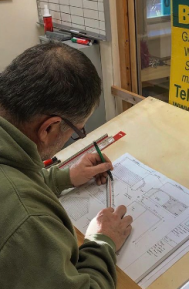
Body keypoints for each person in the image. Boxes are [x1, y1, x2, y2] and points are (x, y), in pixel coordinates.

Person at [0, 42, 133, 288]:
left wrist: (66, 177)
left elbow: (15, 175)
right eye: (77, 131)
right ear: (49, 128)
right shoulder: (28, 220)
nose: (76, 135)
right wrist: (102, 241)